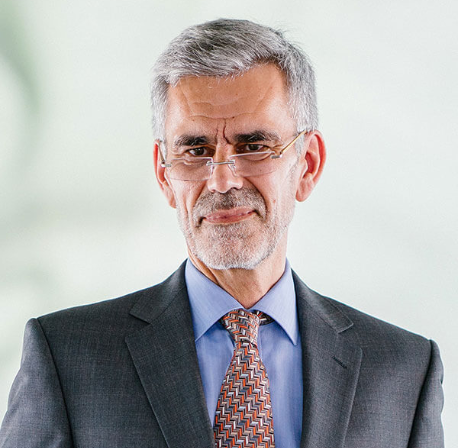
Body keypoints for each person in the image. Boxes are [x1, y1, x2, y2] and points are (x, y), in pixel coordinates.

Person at [0, 18, 444, 448]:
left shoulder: (404, 371)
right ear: (163, 173)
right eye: (196, 150)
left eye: (254, 146)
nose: (222, 180)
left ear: (307, 165)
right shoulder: (66, 359)